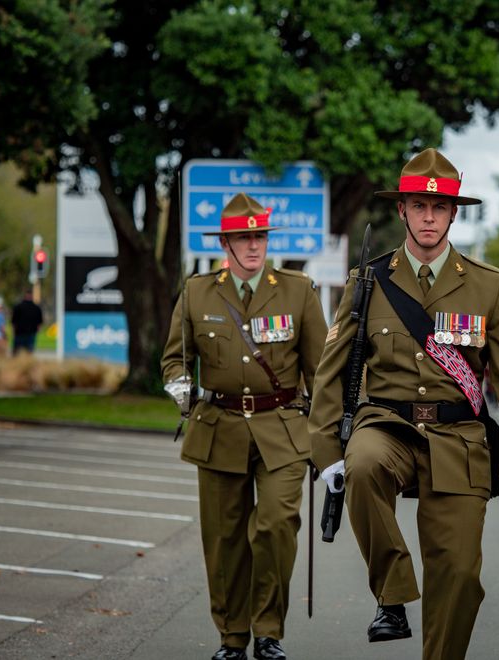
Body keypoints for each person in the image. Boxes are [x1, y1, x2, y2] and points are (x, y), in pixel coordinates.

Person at [308, 148, 499, 660]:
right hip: (386, 426)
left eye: (439, 207)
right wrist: (326, 449)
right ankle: (392, 595)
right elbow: (332, 368)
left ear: (454, 213)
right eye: (418, 206)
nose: (429, 217)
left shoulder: (489, 285)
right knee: (364, 464)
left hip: (459, 439)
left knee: (458, 573)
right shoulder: (368, 280)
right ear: (402, 211)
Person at [161, 192, 327, 660]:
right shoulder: (197, 291)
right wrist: (178, 385)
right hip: (219, 427)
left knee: (276, 525)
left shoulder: (297, 290)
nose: (253, 246)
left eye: (260, 237)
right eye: (242, 238)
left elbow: (320, 369)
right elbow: (175, 358)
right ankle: (232, 637)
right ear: (225, 243)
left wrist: (328, 434)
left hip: (283, 427)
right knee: (224, 538)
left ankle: (268, 631)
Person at [11, 289, 43, 354]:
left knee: (17, 351)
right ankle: (26, 359)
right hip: (29, 332)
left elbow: (14, 321)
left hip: (20, 332)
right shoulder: (36, 308)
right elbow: (39, 322)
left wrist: (13, 330)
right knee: (29, 350)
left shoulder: (18, 307)